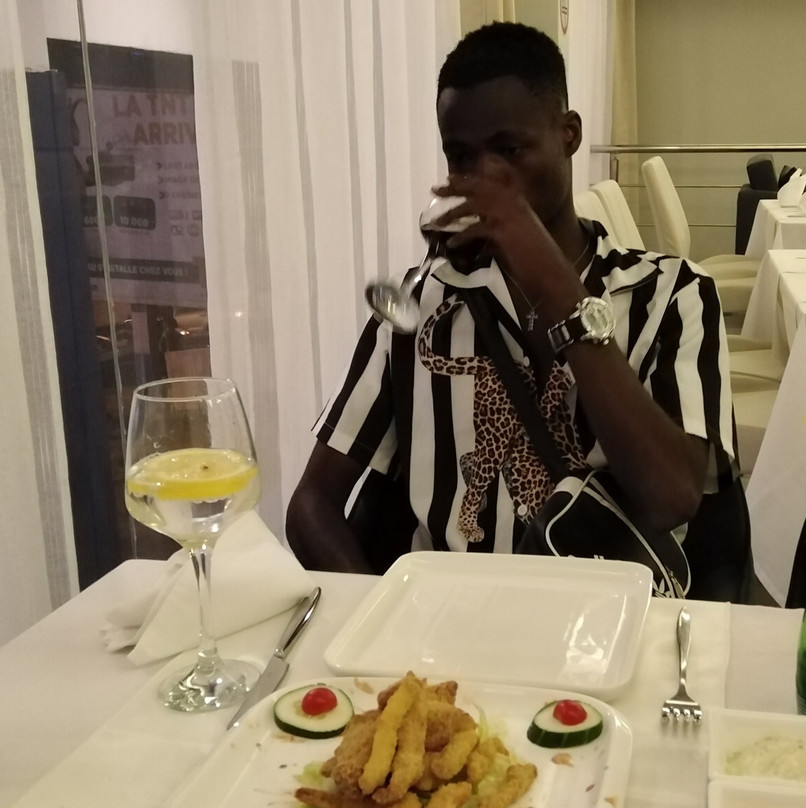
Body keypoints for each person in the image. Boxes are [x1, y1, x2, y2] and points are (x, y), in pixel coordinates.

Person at [286, 21, 733, 572]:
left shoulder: (671, 294)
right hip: (448, 611)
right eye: (461, 157)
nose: (485, 178)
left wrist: (549, 278)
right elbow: (311, 506)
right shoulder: (423, 304)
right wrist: (382, 611)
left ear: (568, 134)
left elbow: (671, 496)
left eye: (510, 149)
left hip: (606, 612)